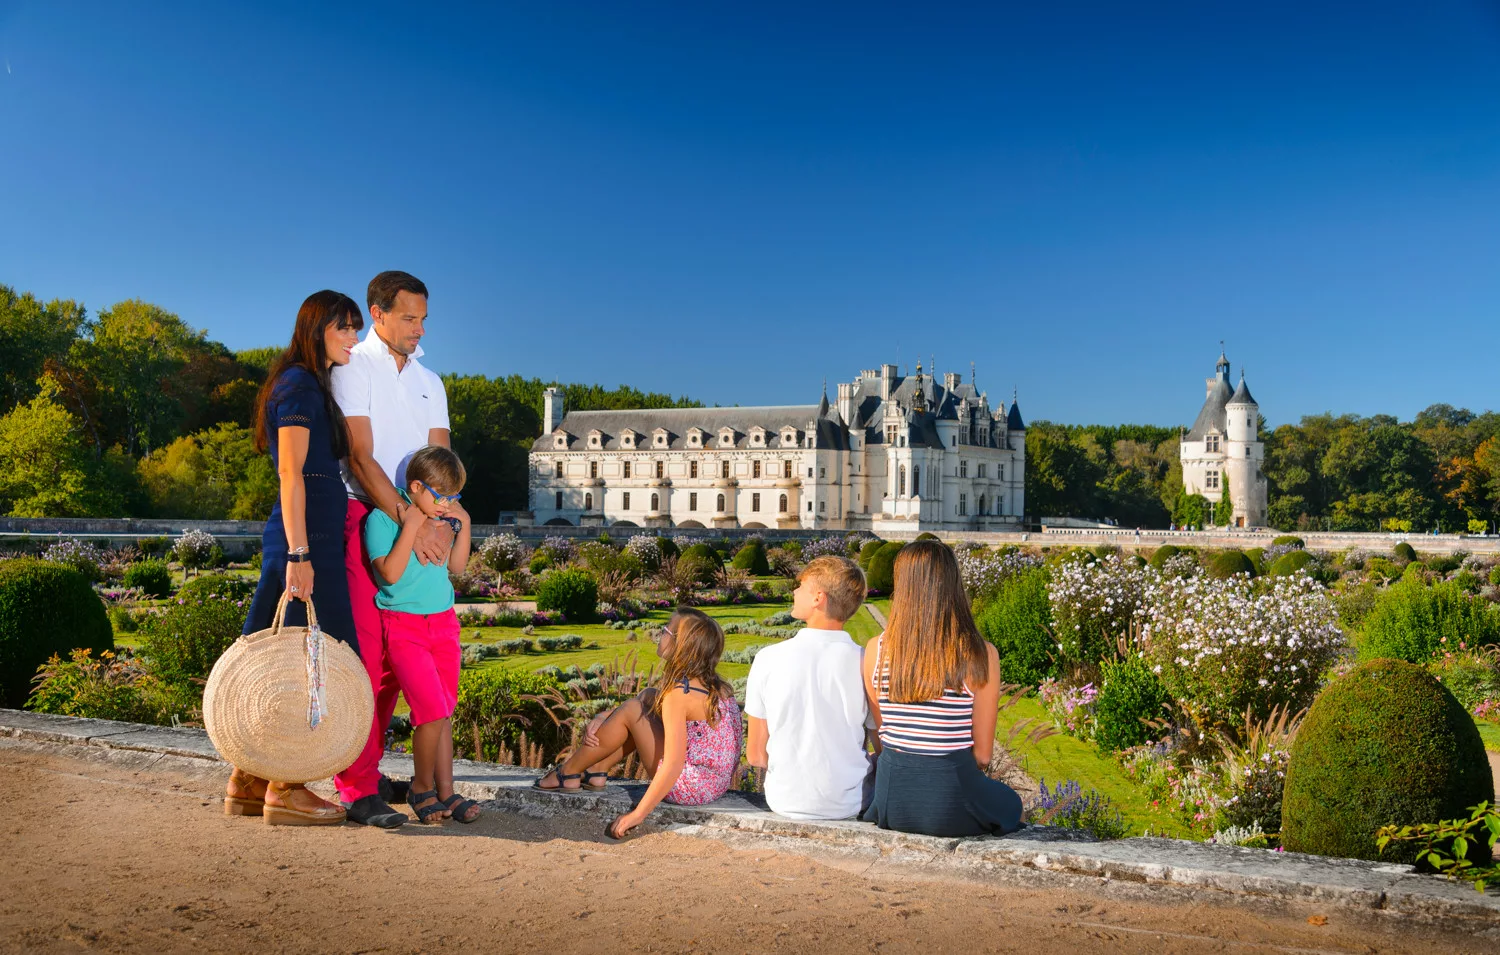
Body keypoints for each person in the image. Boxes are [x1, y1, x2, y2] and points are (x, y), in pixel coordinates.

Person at [227, 290, 364, 826]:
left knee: (278, 653)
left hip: (310, 542)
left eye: (355, 327)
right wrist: (300, 555)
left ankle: (249, 777)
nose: (354, 337)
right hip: (306, 546)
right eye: (345, 328)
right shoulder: (300, 387)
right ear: (317, 330)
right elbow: (291, 474)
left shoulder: (307, 385)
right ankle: (288, 784)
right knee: (317, 661)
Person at [331, 271, 455, 828]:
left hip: (423, 522)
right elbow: (360, 457)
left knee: (398, 664)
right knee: (366, 657)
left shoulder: (432, 380)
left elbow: (442, 465)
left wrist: (440, 522)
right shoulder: (353, 366)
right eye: (409, 317)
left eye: (424, 317)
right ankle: (356, 789)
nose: (419, 327)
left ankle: (372, 771)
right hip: (369, 517)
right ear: (376, 313)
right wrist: (413, 519)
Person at [860, 540, 1023, 837]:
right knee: (1010, 804)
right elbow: (983, 755)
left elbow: (884, 737)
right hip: (948, 800)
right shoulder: (979, 654)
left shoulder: (876, 650)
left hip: (893, 800)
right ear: (952, 584)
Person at [533, 607, 741, 840]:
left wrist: (638, 814)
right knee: (643, 701)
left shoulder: (678, 696)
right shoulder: (716, 687)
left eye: (665, 630)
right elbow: (650, 697)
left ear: (680, 646)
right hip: (714, 784)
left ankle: (567, 772)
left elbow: (673, 763)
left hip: (690, 788)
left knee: (634, 711)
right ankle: (597, 770)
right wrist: (606, 715)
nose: (659, 633)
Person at [364, 445, 478, 824]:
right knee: (429, 712)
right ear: (415, 487)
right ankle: (421, 787)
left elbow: (457, 567)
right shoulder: (382, 520)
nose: (446, 505)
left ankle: (446, 791)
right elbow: (390, 575)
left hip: (443, 624)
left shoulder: (443, 519)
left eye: (454, 497)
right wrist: (411, 525)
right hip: (404, 628)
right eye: (441, 496)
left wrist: (465, 524)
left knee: (444, 712)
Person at [744, 556, 872, 820]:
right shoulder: (865, 663)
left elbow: (756, 755)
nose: (794, 591)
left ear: (818, 598)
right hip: (849, 801)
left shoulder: (768, 658)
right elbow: (883, 745)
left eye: (801, 586)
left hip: (784, 798)